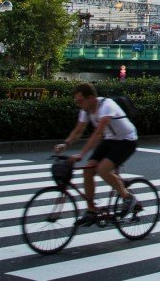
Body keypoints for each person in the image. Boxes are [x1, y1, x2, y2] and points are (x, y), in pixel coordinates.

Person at [54, 83, 138, 226]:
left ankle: (128, 198)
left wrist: (81, 154)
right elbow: (78, 131)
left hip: (126, 140)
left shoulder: (107, 106)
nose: (78, 104)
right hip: (110, 140)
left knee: (102, 169)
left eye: (80, 101)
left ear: (91, 98)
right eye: (76, 101)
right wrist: (65, 144)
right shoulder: (86, 110)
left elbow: (98, 133)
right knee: (88, 170)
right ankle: (91, 211)